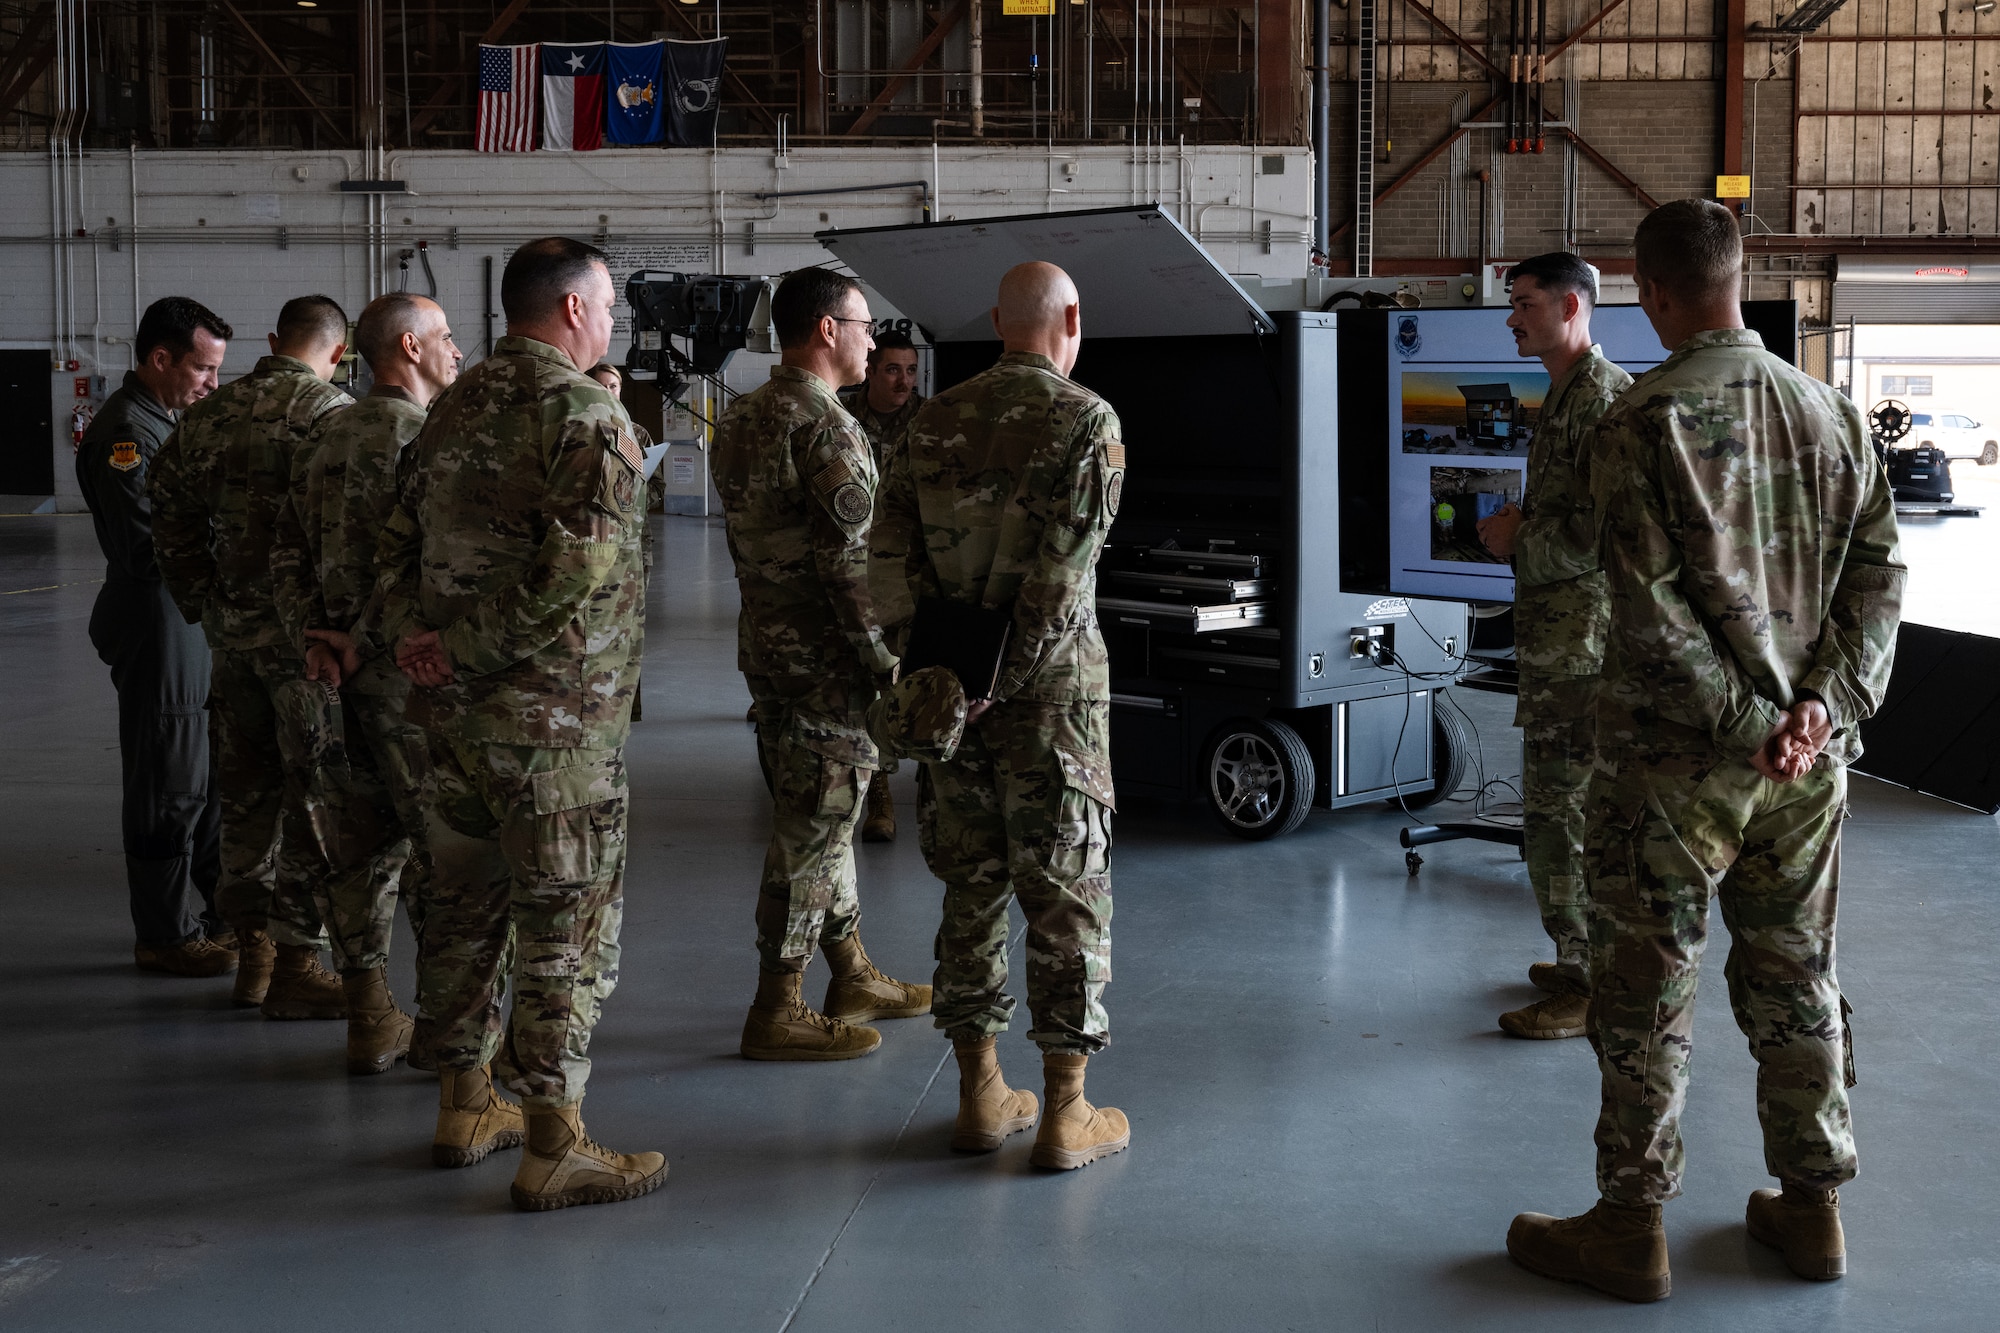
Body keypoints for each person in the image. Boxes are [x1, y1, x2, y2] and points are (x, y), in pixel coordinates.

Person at [1507, 199, 1904, 1301]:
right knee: (1795, 975)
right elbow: (1878, 579)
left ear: (1650, 291)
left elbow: (1642, 610)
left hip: (1680, 767)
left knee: (1646, 988)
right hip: (1807, 768)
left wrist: (1746, 728)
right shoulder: (1829, 413)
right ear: (1742, 277)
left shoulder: (1639, 421)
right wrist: (1817, 711)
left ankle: (1629, 1227)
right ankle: (1810, 1208)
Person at [371, 237, 664, 1211]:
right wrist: (460, 647)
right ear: (574, 311)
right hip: (550, 726)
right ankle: (553, 1141)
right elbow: (574, 571)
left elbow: (393, 536)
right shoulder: (584, 412)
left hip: (446, 724)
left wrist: (419, 641)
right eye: (608, 305)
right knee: (563, 927)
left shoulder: (452, 406)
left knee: (459, 910)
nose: (612, 321)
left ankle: (465, 1104)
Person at [873, 261, 1128, 1169]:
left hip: (950, 704)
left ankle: (980, 1094)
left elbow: (887, 563)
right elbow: (1059, 586)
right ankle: (1066, 1110)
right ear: (1072, 318)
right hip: (1051, 707)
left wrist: (945, 682)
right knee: (1066, 896)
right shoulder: (1087, 421)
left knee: (970, 890)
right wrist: (1001, 680)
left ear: (994, 322)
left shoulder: (928, 420)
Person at [713, 268, 930, 1062]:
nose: (874, 341)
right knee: (813, 832)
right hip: (829, 667)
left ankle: (851, 970)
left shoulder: (742, 417)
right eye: (864, 325)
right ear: (826, 330)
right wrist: (886, 669)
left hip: (768, 652)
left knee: (822, 820)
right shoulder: (828, 428)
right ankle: (779, 1005)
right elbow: (852, 570)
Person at [270, 292, 462, 1075]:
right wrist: (362, 642)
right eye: (446, 337)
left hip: (327, 679)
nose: (457, 350)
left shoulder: (325, 432)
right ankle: (455, 1033)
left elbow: (282, 551)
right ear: (409, 347)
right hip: (405, 680)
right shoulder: (426, 441)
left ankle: (371, 1011)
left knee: (357, 851)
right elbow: (427, 566)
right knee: (443, 856)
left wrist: (313, 642)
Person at [149, 295, 354, 1018]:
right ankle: (299, 958)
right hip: (308, 648)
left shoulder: (207, 417)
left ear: (274, 340)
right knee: (313, 800)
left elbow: (164, 504)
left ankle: (253, 955)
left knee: (244, 799)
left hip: (231, 640)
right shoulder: (333, 415)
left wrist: (200, 595)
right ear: (338, 351)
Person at [1476, 254, 1633, 1041]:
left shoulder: (1605, 401)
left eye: (1526, 303)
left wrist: (1513, 540)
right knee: (1556, 816)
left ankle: (1592, 981)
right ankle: (1580, 957)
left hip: (1585, 655)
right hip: (1558, 652)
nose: (1512, 318)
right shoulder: (1568, 394)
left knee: (1565, 821)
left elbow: (1599, 534)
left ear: (1571, 305)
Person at [76, 297, 235, 978]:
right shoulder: (128, 434)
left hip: (187, 619)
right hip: (159, 620)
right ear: (160, 358)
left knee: (200, 776)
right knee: (168, 781)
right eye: (202, 368)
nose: (212, 384)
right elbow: (150, 548)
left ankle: (219, 915)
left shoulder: (163, 422)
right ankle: (165, 934)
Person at [838, 329, 925, 844]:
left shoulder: (929, 419)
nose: (904, 381)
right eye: (893, 370)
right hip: (855, 564)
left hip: (909, 567)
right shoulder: (843, 416)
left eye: (911, 371)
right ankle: (880, 794)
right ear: (871, 370)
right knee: (874, 678)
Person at [586, 362, 659, 724]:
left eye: (614, 386)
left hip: (634, 543)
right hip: (597, 539)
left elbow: (657, 489)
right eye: (603, 386)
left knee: (633, 620)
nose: (610, 392)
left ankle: (631, 704)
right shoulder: (583, 428)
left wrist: (637, 489)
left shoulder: (638, 434)